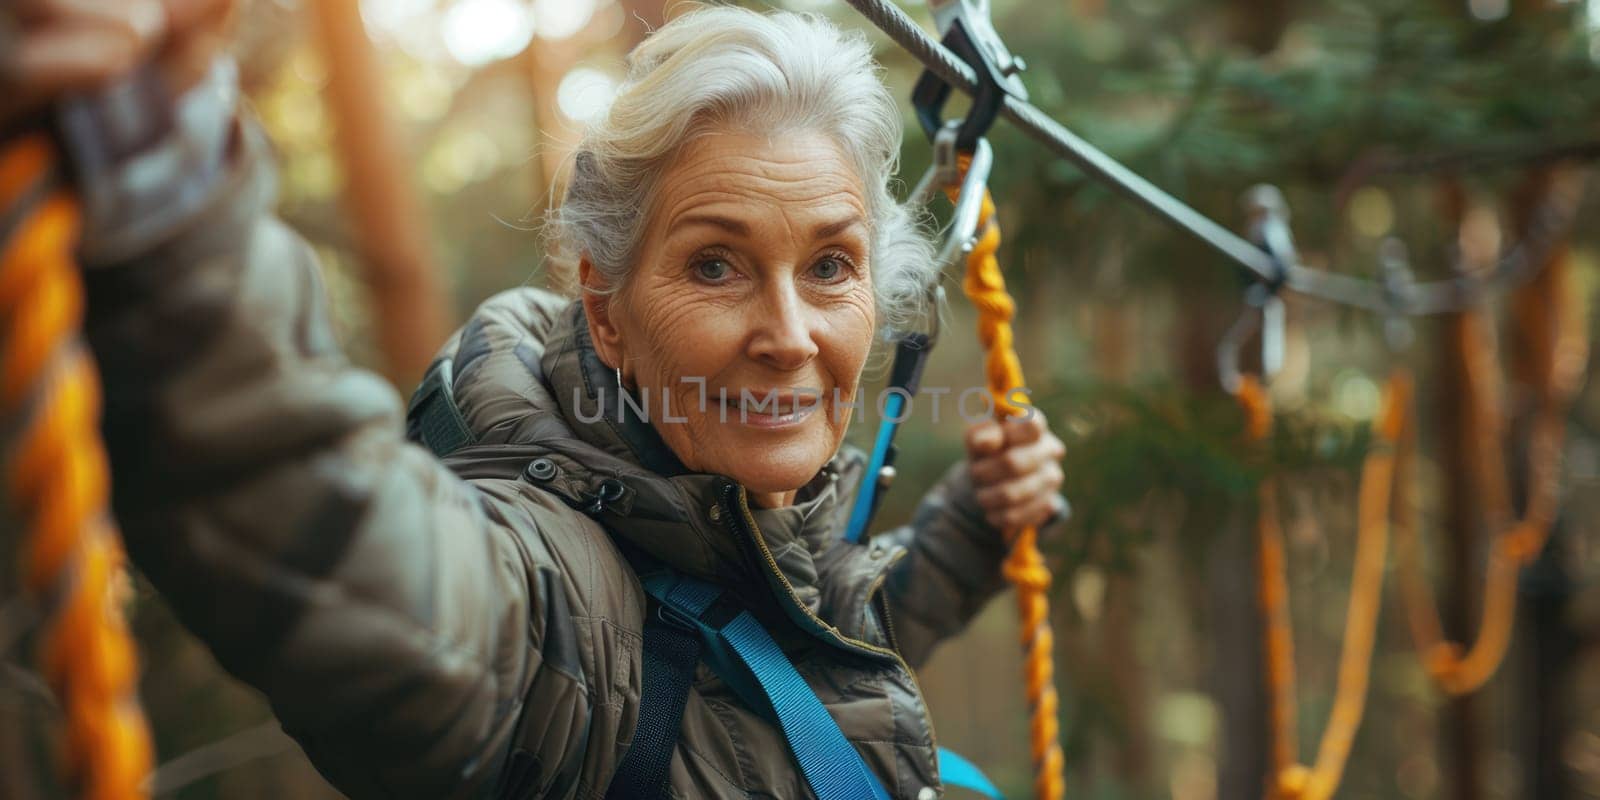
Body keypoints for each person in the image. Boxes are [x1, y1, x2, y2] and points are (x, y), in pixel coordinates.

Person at [3, 2, 1067, 797]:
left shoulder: (725, 506)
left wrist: (969, 528)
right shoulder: (554, 595)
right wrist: (163, 203)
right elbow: (359, 574)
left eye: (830, 266)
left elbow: (797, 650)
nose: (789, 334)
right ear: (604, 313)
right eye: (713, 266)